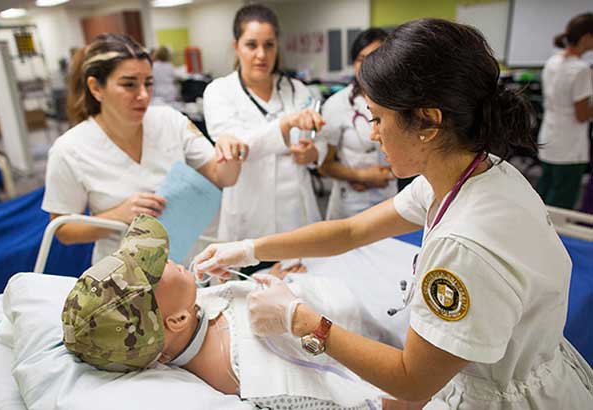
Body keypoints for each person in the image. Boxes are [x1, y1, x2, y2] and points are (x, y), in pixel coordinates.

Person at [193, 19, 593, 409]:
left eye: (378, 118)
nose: (372, 133)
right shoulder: (471, 171)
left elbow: (412, 378)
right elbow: (350, 231)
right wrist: (247, 249)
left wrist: (299, 319)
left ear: (428, 122)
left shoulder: (463, 246)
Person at [62, 214, 390, 409]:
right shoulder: (253, 374)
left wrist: (262, 275)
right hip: (381, 327)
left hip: (341, 283)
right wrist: (296, 314)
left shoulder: (193, 314)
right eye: (159, 268)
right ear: (176, 320)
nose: (170, 260)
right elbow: (366, 399)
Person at [43, 33, 247, 264]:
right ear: (96, 88)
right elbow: (63, 230)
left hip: (185, 267)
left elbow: (223, 177)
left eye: (148, 83)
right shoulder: (69, 149)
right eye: (129, 84)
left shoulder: (170, 121)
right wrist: (118, 216)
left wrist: (231, 152)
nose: (143, 95)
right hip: (123, 276)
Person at [202, 4, 326, 244]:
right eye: (252, 45)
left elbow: (320, 142)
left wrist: (313, 153)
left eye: (269, 45)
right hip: (249, 214)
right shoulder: (219, 92)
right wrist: (286, 124)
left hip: (296, 213)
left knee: (301, 274)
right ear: (236, 46)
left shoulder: (296, 89)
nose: (261, 54)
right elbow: (239, 147)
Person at [318, 28, 396, 220]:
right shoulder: (336, 104)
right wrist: (361, 176)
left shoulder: (400, 102)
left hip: (389, 201)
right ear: (353, 63)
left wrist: (388, 175)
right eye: (361, 59)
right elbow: (324, 166)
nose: (368, 65)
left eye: (376, 57)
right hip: (350, 205)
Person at [536, 13, 593, 209]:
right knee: (562, 201)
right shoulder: (581, 70)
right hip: (569, 147)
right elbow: (582, 114)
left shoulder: (552, 62)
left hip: (549, 139)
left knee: (544, 192)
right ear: (586, 38)